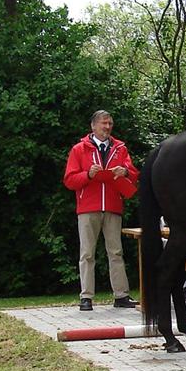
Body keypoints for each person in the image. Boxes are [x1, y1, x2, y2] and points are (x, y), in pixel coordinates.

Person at [63, 110, 140, 311]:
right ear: (93, 126)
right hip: (88, 207)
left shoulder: (120, 148)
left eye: (110, 123)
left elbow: (133, 174)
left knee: (116, 251)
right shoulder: (79, 149)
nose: (107, 127)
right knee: (87, 253)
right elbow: (69, 180)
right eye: (104, 123)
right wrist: (88, 175)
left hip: (113, 205)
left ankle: (121, 296)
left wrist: (124, 172)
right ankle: (86, 297)